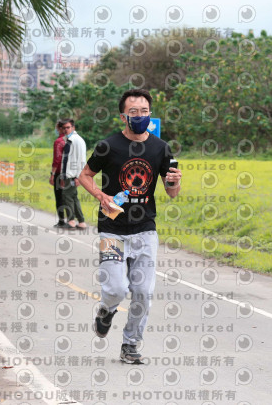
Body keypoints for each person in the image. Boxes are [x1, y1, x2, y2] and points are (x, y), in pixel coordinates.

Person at [78, 89, 182, 364]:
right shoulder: (108, 145)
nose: (139, 116)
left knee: (143, 293)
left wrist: (175, 182)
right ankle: (106, 310)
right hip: (112, 228)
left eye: (144, 111)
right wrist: (100, 195)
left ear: (150, 114)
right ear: (123, 116)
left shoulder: (160, 148)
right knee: (115, 289)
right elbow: (84, 175)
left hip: (145, 230)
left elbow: (171, 192)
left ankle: (131, 344)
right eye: (133, 112)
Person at [60, 119, 87, 229]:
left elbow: (82, 159)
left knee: (67, 196)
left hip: (73, 175)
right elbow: (66, 159)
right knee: (73, 197)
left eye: (68, 127)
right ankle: (81, 222)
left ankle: (71, 221)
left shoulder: (77, 141)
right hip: (68, 175)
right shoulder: (69, 140)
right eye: (64, 128)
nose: (66, 130)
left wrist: (78, 177)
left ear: (73, 128)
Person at [49, 120, 67, 228]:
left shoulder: (59, 142)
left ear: (60, 129)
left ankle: (61, 220)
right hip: (70, 173)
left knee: (59, 197)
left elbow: (57, 159)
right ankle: (71, 220)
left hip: (59, 172)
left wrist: (52, 174)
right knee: (68, 197)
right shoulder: (71, 140)